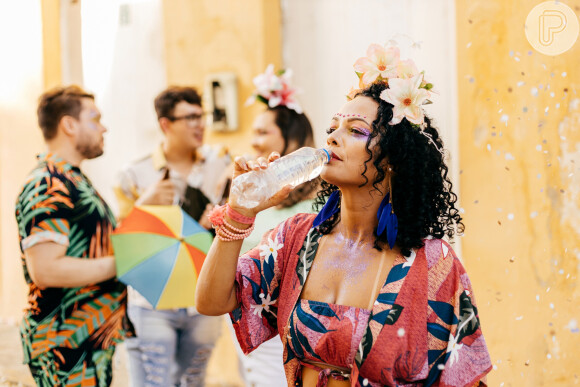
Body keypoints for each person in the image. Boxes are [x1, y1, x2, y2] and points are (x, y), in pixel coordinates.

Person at [196, 43, 492, 386]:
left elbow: (462, 377)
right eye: (333, 128)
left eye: (355, 130)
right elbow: (212, 301)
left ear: (393, 158)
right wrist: (238, 213)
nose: (334, 138)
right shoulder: (295, 237)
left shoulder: (433, 264)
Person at [15, 85, 131, 386]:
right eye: (95, 118)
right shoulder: (48, 183)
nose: (103, 127)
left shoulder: (72, 180)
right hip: (65, 343)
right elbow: (46, 269)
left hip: (87, 340)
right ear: (69, 124)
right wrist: (125, 263)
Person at [114, 86, 230, 386]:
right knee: (154, 382)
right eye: (190, 117)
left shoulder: (220, 165)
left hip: (202, 296)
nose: (200, 123)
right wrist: (146, 204)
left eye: (201, 115)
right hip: (153, 300)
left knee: (194, 381)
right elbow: (121, 238)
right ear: (166, 124)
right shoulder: (134, 174)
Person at [230, 65, 319, 386]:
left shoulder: (318, 203)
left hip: (286, 325)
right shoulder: (254, 193)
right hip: (244, 320)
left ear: (291, 138)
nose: (254, 141)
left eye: (263, 132)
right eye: (254, 132)